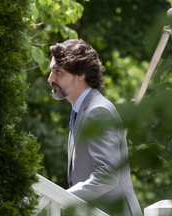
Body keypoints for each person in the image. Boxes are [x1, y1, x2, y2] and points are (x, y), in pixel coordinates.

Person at [47, 39, 143, 216]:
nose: (50, 79)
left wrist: (61, 200)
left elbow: (107, 174)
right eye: (52, 71)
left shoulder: (98, 111)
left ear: (81, 74)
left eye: (58, 72)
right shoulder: (80, 110)